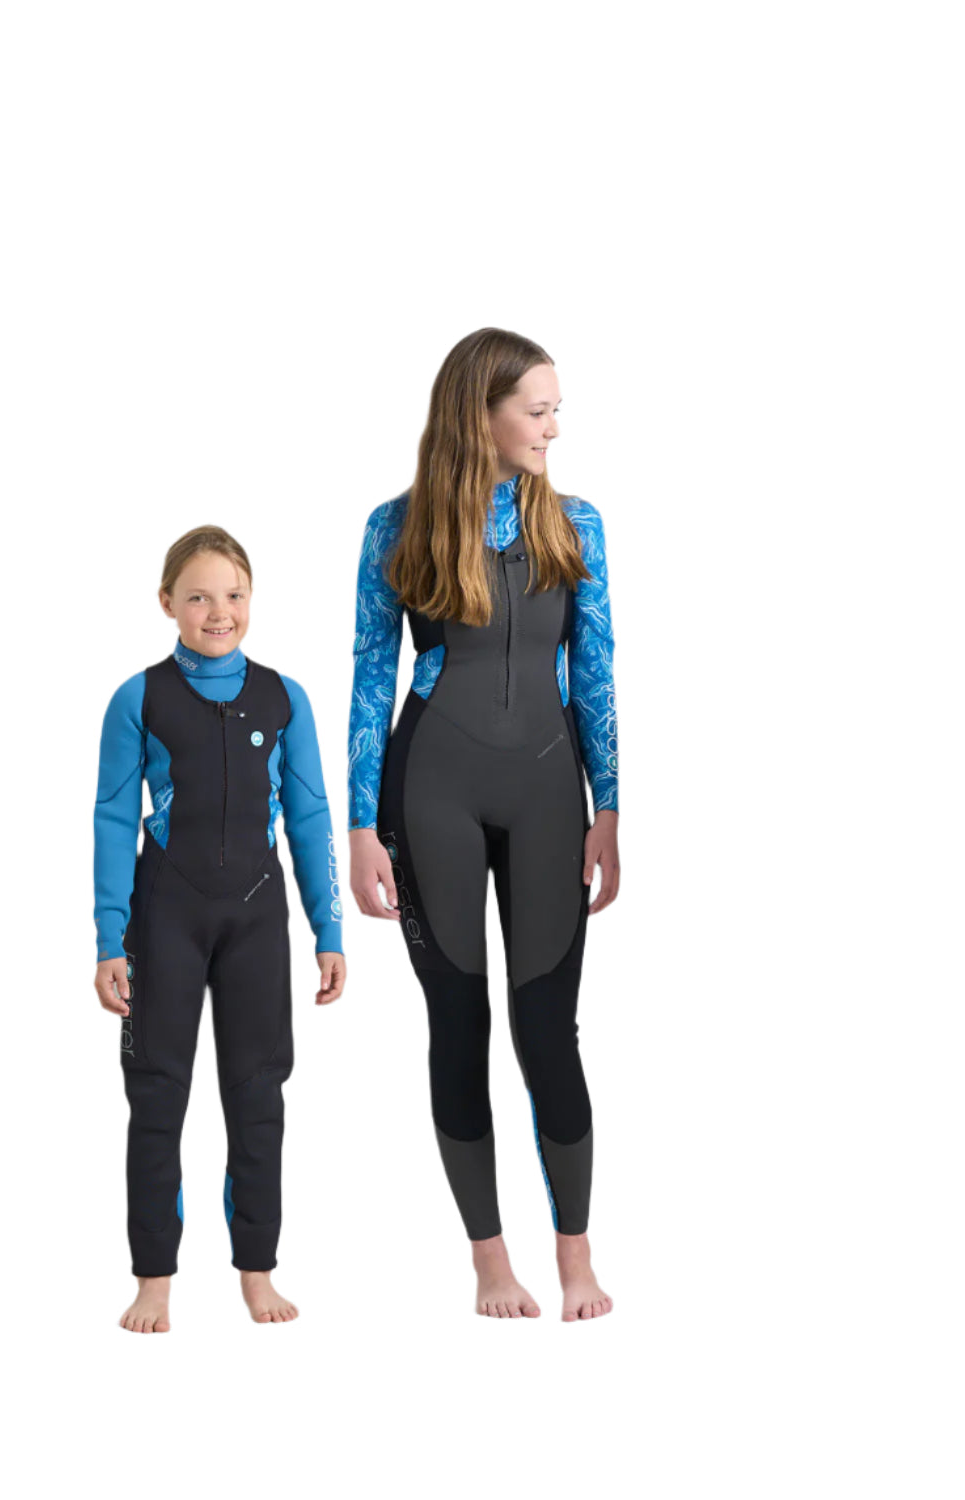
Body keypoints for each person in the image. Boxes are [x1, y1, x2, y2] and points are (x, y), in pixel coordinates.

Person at [348, 327, 620, 1322]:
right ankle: (491, 1264)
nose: (553, 428)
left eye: (555, 411)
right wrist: (361, 827)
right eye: (536, 411)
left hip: (549, 796)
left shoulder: (576, 523)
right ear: (482, 414)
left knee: (549, 1029)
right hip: (430, 797)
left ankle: (577, 1261)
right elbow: (371, 676)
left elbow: (595, 672)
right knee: (458, 1026)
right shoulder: (397, 527)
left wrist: (610, 807)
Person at [94, 524, 347, 1332]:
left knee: (258, 1097)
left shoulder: (284, 698)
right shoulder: (138, 698)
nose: (218, 611)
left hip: (256, 918)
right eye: (198, 596)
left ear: (251, 599)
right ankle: (154, 1281)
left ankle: (257, 1273)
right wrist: (109, 939)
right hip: (164, 915)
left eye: (233, 595)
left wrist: (328, 928)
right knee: (157, 1098)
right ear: (166, 602)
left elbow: (310, 816)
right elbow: (112, 821)